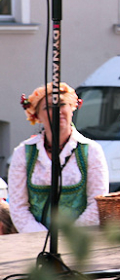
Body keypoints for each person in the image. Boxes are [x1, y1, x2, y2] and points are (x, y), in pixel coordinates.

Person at [8, 82, 109, 233]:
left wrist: (68, 237)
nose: (57, 111)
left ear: (72, 108)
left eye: (62, 104)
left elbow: (97, 203)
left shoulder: (91, 150)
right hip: (33, 244)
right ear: (37, 116)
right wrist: (41, 238)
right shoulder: (23, 152)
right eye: (48, 107)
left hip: (79, 241)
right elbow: (18, 207)